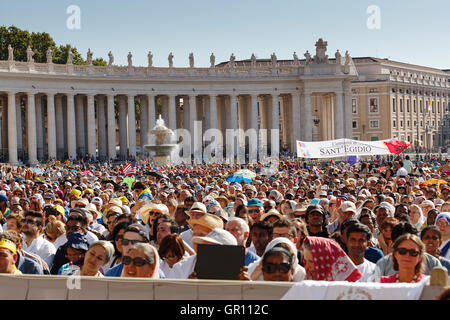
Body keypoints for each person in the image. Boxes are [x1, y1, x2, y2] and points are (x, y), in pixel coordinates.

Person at [369, 222, 442, 282]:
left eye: (413, 252)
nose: (407, 255)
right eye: (402, 251)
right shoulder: (383, 263)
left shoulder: (433, 263)